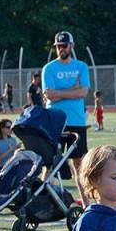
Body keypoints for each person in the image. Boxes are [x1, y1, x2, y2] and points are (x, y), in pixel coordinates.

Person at [42, 31, 91, 202]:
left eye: (64, 45)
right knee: (50, 163)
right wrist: (73, 91)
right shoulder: (49, 68)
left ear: (71, 46)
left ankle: (86, 204)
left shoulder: (81, 67)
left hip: (76, 121)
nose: (61, 49)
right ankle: (41, 199)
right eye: (58, 46)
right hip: (55, 121)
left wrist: (60, 93)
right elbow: (49, 95)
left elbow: (84, 91)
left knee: (80, 165)